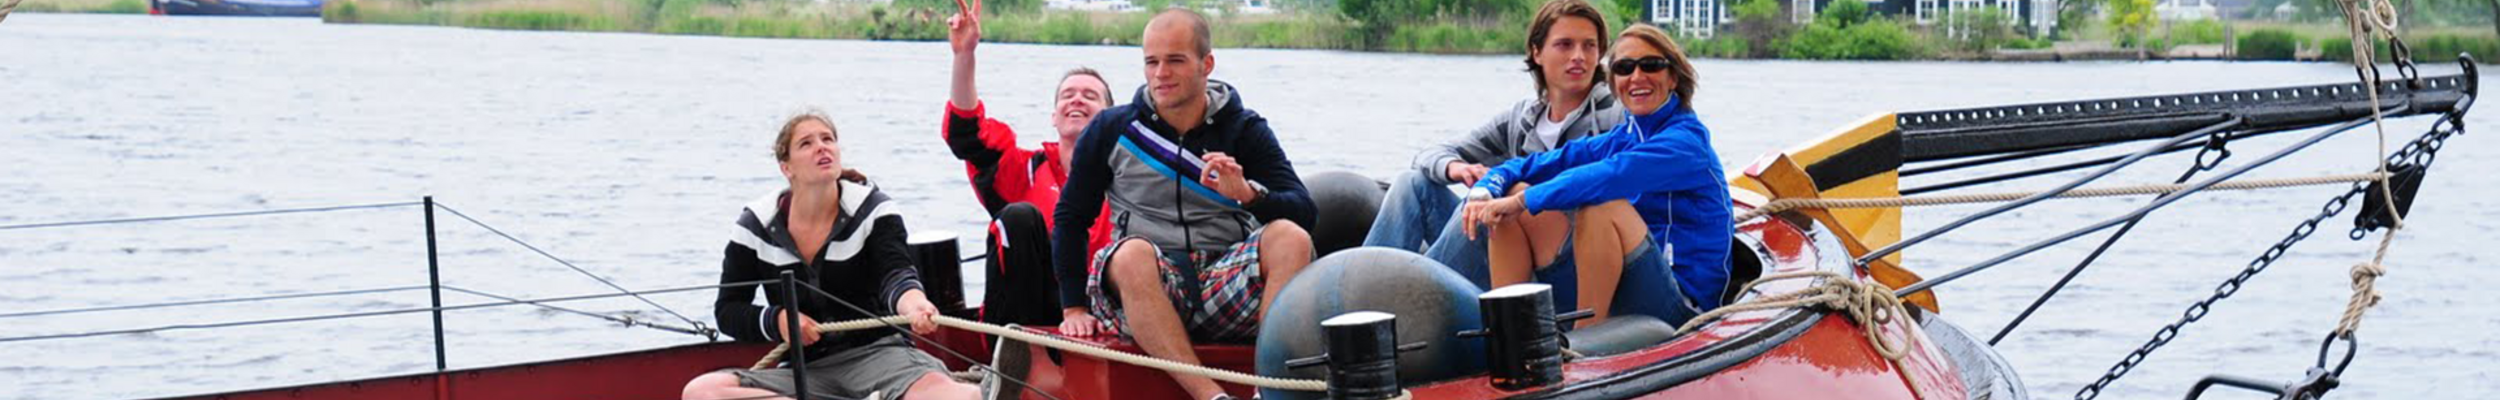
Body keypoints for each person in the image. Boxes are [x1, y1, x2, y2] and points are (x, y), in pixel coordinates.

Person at [1050, 8, 1317, 400]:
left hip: (1224, 284)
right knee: (1130, 255)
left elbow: (1305, 213)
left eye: (1175, 60)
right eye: (1151, 62)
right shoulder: (1112, 128)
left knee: (1290, 237)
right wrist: (1073, 308)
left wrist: (1248, 194)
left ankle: (1267, 390)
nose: (1161, 73)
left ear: (1206, 64)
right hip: (1146, 285)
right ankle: (1212, 397)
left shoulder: (1246, 129)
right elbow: (1070, 218)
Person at [683, 113, 983, 400]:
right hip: (805, 370)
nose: (822, 147)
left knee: (953, 396)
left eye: (827, 139)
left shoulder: (874, 210)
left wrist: (915, 304)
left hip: (882, 357)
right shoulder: (755, 226)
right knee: (701, 392)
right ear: (786, 168)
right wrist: (778, 320)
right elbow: (728, 310)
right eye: (806, 143)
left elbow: (896, 275)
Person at [1459, 24, 1729, 328]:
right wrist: (1484, 191)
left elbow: (1607, 177)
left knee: (1601, 206)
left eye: (1651, 65)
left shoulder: (1685, 143)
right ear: (1614, 83)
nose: (1637, 76)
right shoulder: (1623, 137)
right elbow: (1532, 164)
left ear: (1673, 77)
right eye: (1624, 68)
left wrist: (1523, 200)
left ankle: (1586, 341)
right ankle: (1510, 333)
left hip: (1680, 304)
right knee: (1512, 193)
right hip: (1626, 285)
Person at [1366, 0, 1625, 296]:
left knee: (1490, 201)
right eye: (1565, 45)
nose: (1578, 56)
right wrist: (1455, 167)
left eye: (1589, 46)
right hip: (1504, 247)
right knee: (1412, 183)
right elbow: (1427, 155)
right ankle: (1364, 290)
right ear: (1537, 52)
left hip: (1567, 263)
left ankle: (1410, 299)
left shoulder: (1616, 115)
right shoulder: (1521, 118)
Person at [936, 0, 1115, 327]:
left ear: (1109, 118)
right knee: (1019, 216)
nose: (1076, 99)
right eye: (1067, 95)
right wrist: (964, 56)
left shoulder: (1130, 176)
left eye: (1090, 96)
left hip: (1103, 316)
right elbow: (967, 136)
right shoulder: (1024, 169)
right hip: (1026, 317)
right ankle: (1017, 350)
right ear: (1054, 116)